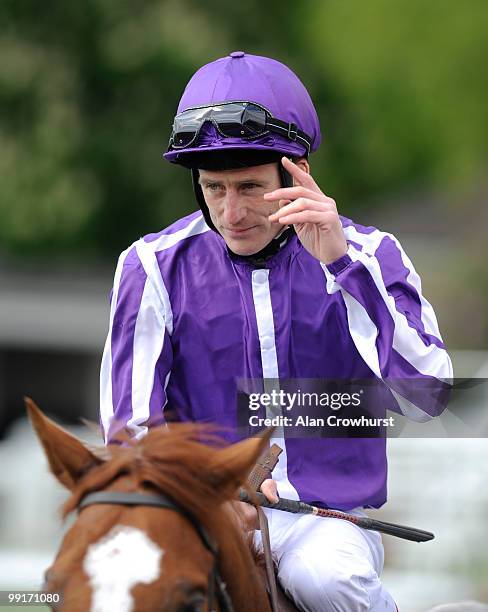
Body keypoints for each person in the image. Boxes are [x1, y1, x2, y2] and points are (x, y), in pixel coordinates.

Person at [99, 51, 452, 611]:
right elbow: (130, 427)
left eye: (249, 187)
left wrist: (341, 266)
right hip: (198, 507)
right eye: (214, 187)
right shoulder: (151, 268)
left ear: (297, 174)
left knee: (327, 581)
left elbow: (428, 395)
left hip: (324, 522)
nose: (231, 211)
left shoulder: (373, 254)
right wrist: (208, 496)